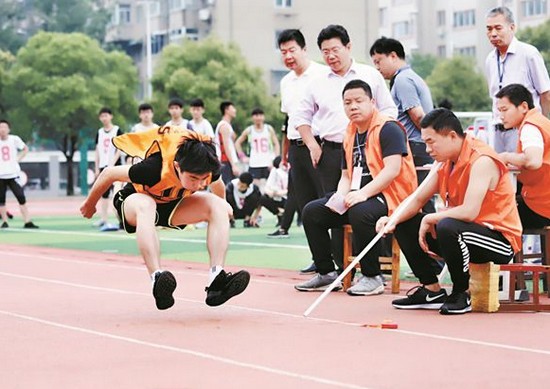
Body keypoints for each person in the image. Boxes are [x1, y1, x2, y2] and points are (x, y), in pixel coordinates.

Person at [80, 126, 250, 310]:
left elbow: (218, 188)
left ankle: (217, 280)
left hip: (171, 204)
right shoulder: (153, 168)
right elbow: (109, 174)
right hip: (134, 201)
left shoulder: (207, 165)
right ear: (177, 166)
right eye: (193, 178)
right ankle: (157, 278)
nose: (200, 184)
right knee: (147, 205)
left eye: (203, 179)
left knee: (218, 206)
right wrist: (90, 204)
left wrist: (222, 211)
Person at [377, 108, 522, 315]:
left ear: (452, 136)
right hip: (462, 234)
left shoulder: (481, 160)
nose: (427, 149)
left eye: (431, 142)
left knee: (447, 225)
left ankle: (461, 293)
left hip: (498, 241)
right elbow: (418, 198)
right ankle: (431, 290)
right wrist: (392, 219)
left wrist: (430, 218)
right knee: (405, 222)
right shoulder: (445, 163)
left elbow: (470, 212)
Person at [295, 79, 416, 295]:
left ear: (372, 101)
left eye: (359, 101)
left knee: (361, 212)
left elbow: (392, 170)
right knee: (313, 211)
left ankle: (372, 276)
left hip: (390, 197)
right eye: (347, 102)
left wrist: (361, 194)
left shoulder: (388, 128)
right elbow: (345, 175)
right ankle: (326, 272)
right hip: (359, 195)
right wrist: (342, 196)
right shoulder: (350, 132)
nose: (353, 106)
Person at [294, 24, 398, 273]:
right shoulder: (317, 79)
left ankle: (375, 271)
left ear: (348, 47)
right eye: (325, 51)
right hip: (334, 152)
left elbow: (389, 109)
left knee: (364, 210)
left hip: (374, 154)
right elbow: (301, 117)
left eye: (335, 49)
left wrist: (380, 137)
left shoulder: (369, 75)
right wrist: (312, 145)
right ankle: (335, 269)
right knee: (332, 207)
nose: (330, 56)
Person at [268, 29, 325, 247]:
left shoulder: (322, 74)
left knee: (326, 202)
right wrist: (285, 153)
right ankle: (320, 260)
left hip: (320, 145)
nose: (288, 56)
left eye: (292, 50)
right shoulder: (286, 82)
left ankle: (339, 260)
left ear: (304, 49)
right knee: (305, 206)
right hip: (296, 148)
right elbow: (289, 119)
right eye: (283, 52)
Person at [370, 36, 435, 213]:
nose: (377, 67)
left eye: (378, 61)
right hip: (419, 146)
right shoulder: (410, 77)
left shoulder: (403, 80)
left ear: (393, 56)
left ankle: (427, 238)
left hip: (414, 147)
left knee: (417, 199)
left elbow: (418, 115)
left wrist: (430, 138)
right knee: (421, 198)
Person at [485, 6, 550, 153]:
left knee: (523, 172)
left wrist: (539, 124)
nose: (493, 34)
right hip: (498, 130)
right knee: (502, 173)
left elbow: (545, 93)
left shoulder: (528, 53)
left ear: (512, 27)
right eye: (489, 29)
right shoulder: (490, 60)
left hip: (524, 129)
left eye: (498, 28)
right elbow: (494, 97)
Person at [496, 83, 550, 228]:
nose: (501, 116)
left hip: (543, 206)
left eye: (505, 110)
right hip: (543, 200)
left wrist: (507, 156)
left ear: (524, 107)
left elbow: (533, 161)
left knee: (493, 214)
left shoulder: (530, 127)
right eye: (499, 111)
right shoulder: (540, 121)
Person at [0, 119, 39, 229]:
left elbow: (25, 148)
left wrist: (18, 159)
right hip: (0, 175)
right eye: (0, 127)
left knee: (21, 197)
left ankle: (27, 221)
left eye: (4, 127)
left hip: (13, 174)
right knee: (1, 200)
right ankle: (4, 221)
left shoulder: (14, 139)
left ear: (8, 129)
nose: (2, 129)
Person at [235, 108, 280, 191]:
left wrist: (275, 159)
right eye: (256, 115)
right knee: (255, 188)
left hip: (268, 162)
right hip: (254, 163)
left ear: (263, 117)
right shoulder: (249, 130)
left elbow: (276, 143)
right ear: (252, 117)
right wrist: (242, 156)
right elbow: (237, 143)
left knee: (271, 186)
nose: (258, 117)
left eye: (260, 115)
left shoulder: (268, 129)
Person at [93, 107, 123, 230]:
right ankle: (104, 219)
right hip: (102, 167)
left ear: (111, 116)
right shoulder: (99, 132)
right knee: (103, 194)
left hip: (115, 167)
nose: (104, 118)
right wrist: (96, 167)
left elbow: (120, 149)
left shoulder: (117, 130)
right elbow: (97, 150)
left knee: (117, 193)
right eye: (102, 116)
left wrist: (112, 163)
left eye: (106, 115)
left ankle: (121, 220)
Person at [257, 156, 288, 226]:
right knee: (263, 198)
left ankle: (299, 219)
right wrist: (271, 193)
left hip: (288, 198)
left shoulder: (290, 171)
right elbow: (267, 187)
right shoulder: (274, 171)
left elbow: (292, 190)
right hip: (276, 196)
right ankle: (279, 214)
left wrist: (280, 193)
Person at [215, 101, 240, 184]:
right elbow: (226, 146)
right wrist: (233, 165)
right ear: (226, 110)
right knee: (227, 187)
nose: (235, 110)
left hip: (228, 161)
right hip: (225, 161)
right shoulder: (224, 126)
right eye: (233, 108)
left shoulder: (227, 125)